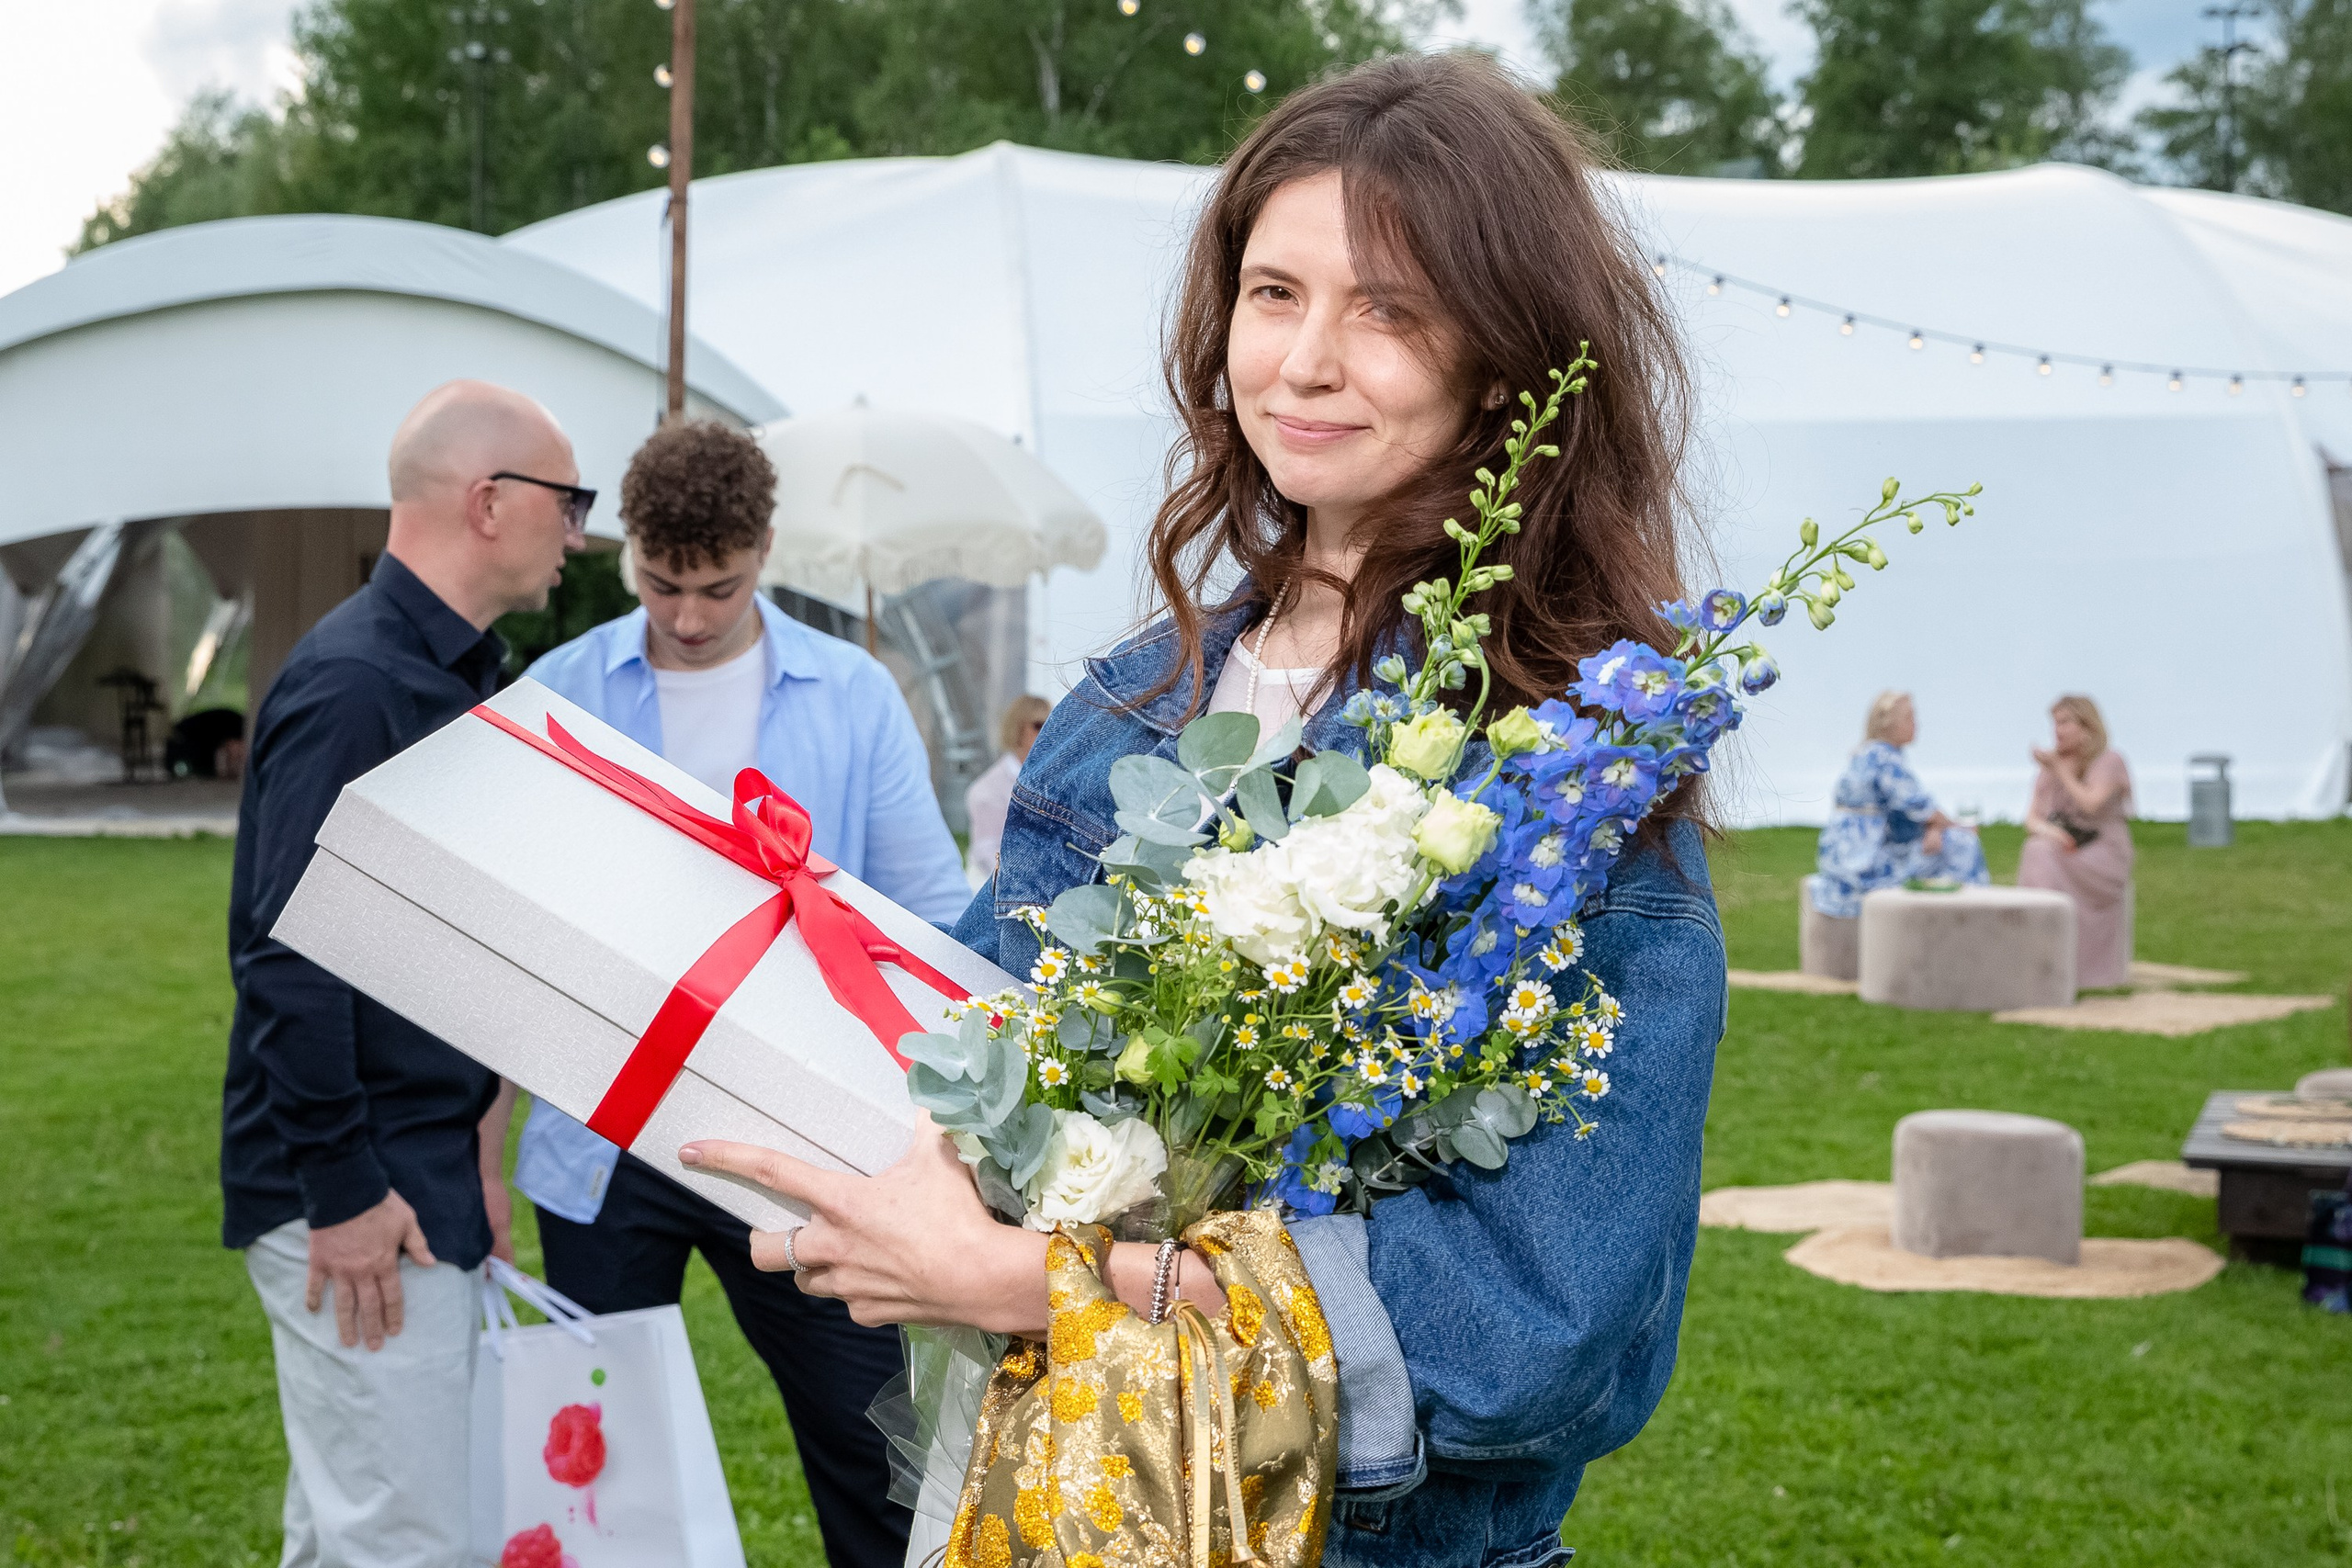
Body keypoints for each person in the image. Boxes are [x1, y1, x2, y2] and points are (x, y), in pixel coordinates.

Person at [677, 54, 1728, 1568]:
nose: (1303, 361)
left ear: (1503, 359)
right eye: (1274, 292)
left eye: (1391, 309)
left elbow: (1533, 1326)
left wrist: (1051, 1288)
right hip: (1049, 1507)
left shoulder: (1565, 778)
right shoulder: (1137, 700)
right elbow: (972, 1042)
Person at [512, 418, 970, 1568]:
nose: (689, 615)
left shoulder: (855, 694)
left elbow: (928, 911)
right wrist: (482, 1141)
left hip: (800, 1134)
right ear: (628, 553)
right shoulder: (557, 691)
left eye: (717, 585)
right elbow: (507, 932)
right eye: (661, 583)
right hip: (599, 1132)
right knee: (597, 1457)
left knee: (872, 1450)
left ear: (765, 549)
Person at [220, 379, 586, 1565]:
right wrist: (342, 1189)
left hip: (416, 1168)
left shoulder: (455, 674)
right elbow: (287, 956)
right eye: (567, 499)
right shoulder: (362, 683)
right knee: (406, 1539)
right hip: (360, 1184)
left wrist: (474, 1156)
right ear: (489, 501)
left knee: (362, 1530)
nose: (580, 531)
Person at [1808, 690, 1988, 918]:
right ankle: (1973, 918)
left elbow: (1907, 813)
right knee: (1962, 844)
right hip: (1865, 863)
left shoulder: (1865, 754)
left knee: (1942, 842)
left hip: (1840, 856)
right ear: (1887, 724)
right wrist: (1953, 826)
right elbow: (1921, 806)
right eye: (1909, 717)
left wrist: (1932, 827)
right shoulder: (1886, 759)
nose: (1916, 723)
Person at [2018, 693, 2134, 987]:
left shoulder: (2109, 760)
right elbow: (2032, 818)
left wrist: (2060, 771)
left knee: (2042, 856)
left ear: (2087, 727)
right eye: (2055, 723)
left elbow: (2090, 804)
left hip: (2103, 851)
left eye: (2066, 723)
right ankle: (2040, 953)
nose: (2058, 731)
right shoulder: (2052, 767)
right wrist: (2051, 832)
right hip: (2066, 848)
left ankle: (2061, 963)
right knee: (2037, 850)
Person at [963, 694, 1051, 886]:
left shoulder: (1051, 777)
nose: (1046, 732)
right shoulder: (988, 789)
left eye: (1051, 724)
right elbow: (987, 852)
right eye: (1038, 725)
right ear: (1018, 728)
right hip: (996, 888)